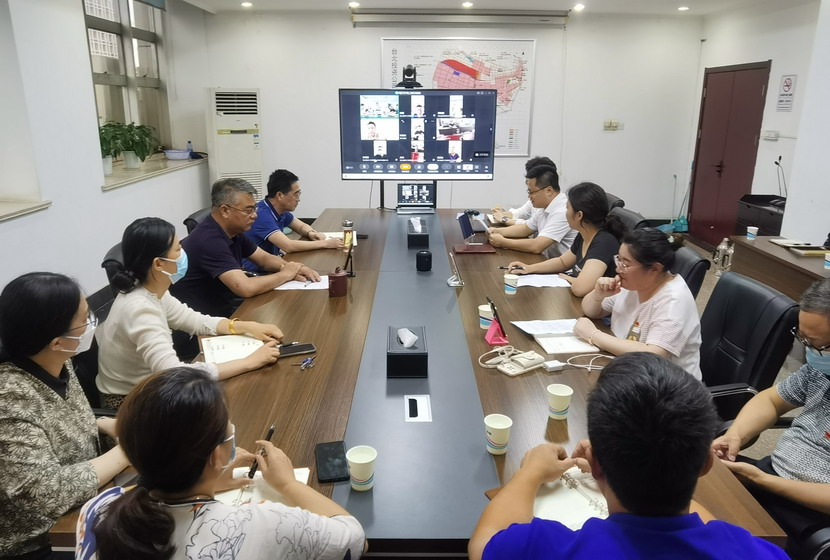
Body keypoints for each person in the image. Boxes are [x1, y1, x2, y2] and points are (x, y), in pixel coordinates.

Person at [468, 353, 788, 560]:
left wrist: (530, 472)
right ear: (706, 464)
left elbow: (483, 543)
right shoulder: (762, 553)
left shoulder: (547, 547)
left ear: (595, 466)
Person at [76, 367, 366, 560]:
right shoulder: (262, 525)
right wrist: (288, 484)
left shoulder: (97, 510)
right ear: (217, 456)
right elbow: (354, 541)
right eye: (228, 429)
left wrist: (210, 481)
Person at [0, 272, 129, 559]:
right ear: (57, 342)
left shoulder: (58, 361)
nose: (90, 324)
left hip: (88, 499)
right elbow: (47, 492)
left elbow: (57, 419)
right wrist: (128, 451)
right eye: (84, 319)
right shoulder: (9, 397)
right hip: (43, 540)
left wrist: (103, 424)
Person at [96, 217, 283, 410]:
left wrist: (244, 326)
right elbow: (174, 373)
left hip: (152, 384)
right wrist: (248, 362)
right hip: (131, 403)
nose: (184, 253)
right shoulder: (140, 309)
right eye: (178, 249)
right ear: (158, 264)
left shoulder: (151, 290)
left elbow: (193, 320)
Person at [712, 278, 830, 557]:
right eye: (803, 339)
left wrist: (763, 481)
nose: (809, 352)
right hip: (769, 477)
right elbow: (771, 400)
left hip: (810, 516)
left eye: (817, 344)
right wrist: (736, 434)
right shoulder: (820, 369)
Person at [170, 178, 320, 320]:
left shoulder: (232, 231)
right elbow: (245, 288)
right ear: (225, 211)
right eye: (248, 210)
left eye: (254, 208)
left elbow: (264, 259)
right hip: (203, 321)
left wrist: (293, 268)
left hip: (223, 307)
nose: (254, 215)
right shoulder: (210, 241)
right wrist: (286, 274)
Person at [575, 227, 702, 379]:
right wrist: (598, 295)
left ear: (655, 268)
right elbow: (592, 312)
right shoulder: (635, 283)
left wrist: (593, 335)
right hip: (631, 370)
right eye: (619, 259)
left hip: (667, 385)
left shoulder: (674, 301)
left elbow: (653, 355)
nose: (618, 269)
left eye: (626, 264)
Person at [507, 182, 627, 296]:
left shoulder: (604, 242)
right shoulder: (584, 234)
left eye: (567, 208)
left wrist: (570, 278)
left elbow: (580, 289)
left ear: (579, 215)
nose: (565, 212)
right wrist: (529, 268)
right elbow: (562, 262)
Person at [243, 169, 343, 269]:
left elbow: (301, 226)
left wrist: (311, 233)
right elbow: (288, 246)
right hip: (257, 271)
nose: (298, 199)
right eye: (296, 195)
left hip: (272, 263)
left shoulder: (279, 210)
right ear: (280, 195)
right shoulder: (262, 215)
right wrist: (325, 243)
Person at [487, 164, 577, 258]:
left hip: (562, 266)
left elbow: (537, 246)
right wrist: (497, 231)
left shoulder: (563, 211)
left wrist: (503, 242)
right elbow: (526, 228)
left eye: (531, 192)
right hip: (548, 260)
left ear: (549, 191)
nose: (529, 196)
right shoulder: (545, 206)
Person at [491, 156, 555, 226]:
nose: (527, 182)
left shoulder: (557, 210)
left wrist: (504, 219)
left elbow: (530, 225)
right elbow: (520, 213)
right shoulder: (536, 198)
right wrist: (502, 214)